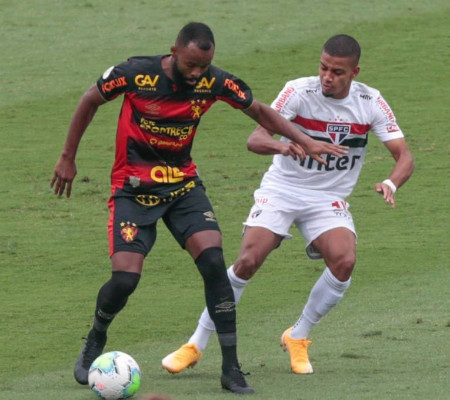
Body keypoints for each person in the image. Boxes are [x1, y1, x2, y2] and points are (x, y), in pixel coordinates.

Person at [51, 23, 347, 394]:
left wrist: (304, 139)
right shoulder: (137, 74)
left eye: (203, 67)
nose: (196, 74)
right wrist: (67, 157)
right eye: (190, 65)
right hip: (133, 189)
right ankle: (96, 336)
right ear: (173, 51)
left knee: (213, 263)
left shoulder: (215, 82)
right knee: (125, 279)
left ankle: (231, 368)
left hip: (183, 187)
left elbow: (259, 111)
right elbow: (89, 100)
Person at [162, 34, 415, 376]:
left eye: (337, 72)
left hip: (327, 198)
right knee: (248, 261)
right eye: (323, 68)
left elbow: (404, 156)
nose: (327, 77)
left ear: (354, 73)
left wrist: (390, 183)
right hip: (283, 189)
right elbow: (256, 138)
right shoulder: (298, 91)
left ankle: (298, 335)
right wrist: (285, 146)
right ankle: (195, 344)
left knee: (344, 261)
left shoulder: (370, 101)